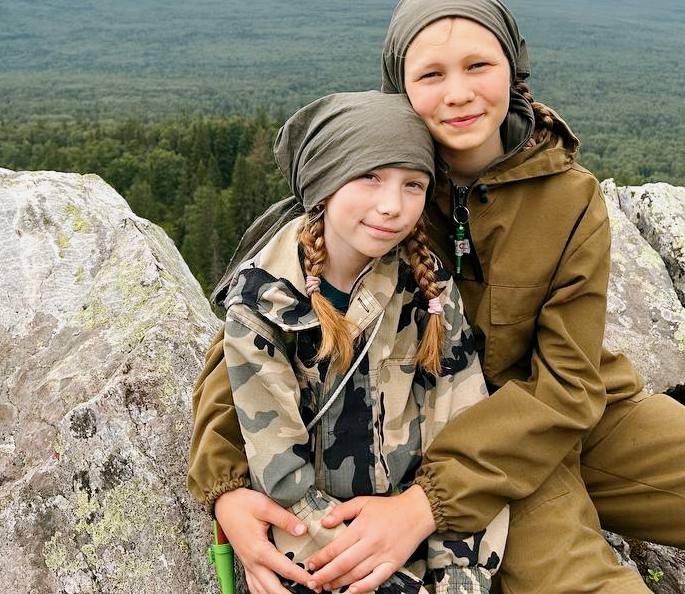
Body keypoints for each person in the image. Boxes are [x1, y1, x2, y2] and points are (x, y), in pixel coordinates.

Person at [190, 0, 685, 594]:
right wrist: (226, 488)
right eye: (430, 75)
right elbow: (257, 329)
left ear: (514, 67)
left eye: (479, 65)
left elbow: (568, 385)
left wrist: (422, 509)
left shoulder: (568, 197)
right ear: (398, 88)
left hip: (585, 421)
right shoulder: (378, 185)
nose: (460, 92)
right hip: (449, 441)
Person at [211, 90, 507, 594]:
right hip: (321, 552)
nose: (391, 206)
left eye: (413, 184)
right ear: (323, 184)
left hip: (415, 531)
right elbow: (283, 480)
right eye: (368, 177)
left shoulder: (427, 291)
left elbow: (461, 439)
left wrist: (459, 579)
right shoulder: (264, 305)